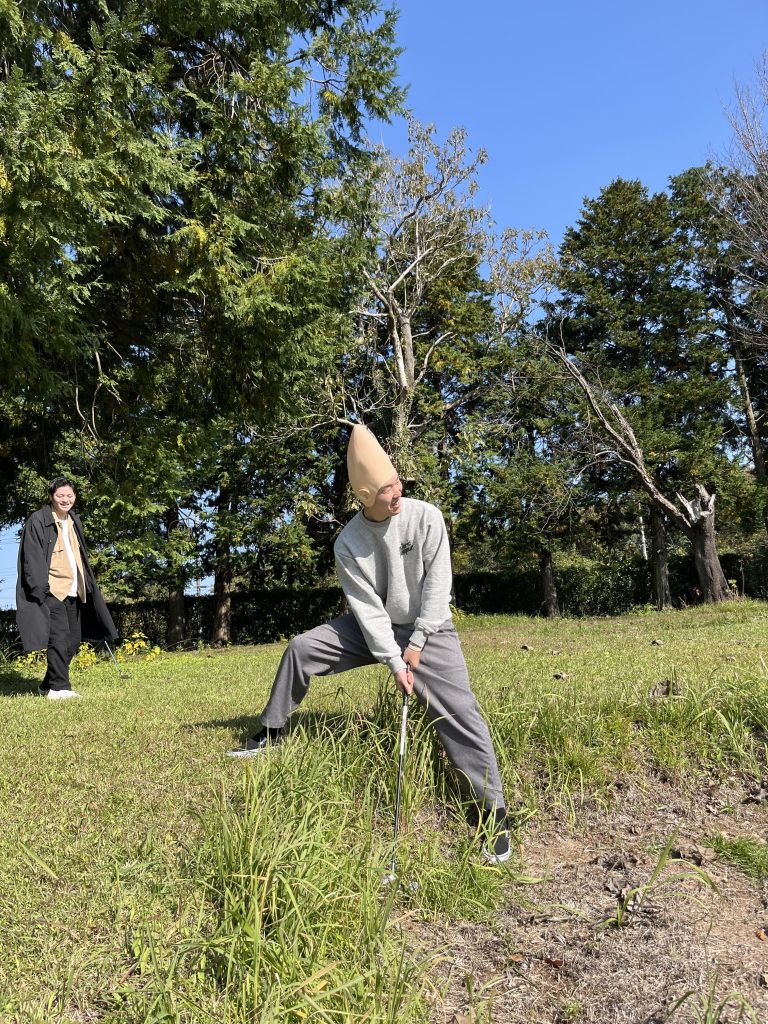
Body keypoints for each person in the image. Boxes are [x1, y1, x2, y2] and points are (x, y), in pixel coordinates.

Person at [227, 426, 511, 863]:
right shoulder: (348, 543)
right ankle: (271, 730)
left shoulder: (426, 517)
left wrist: (417, 643)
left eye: (397, 482)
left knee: (460, 711)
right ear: (364, 495)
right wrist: (395, 661)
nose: (398, 492)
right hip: (374, 628)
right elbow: (368, 609)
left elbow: (438, 588)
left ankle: (493, 812)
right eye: (387, 489)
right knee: (302, 648)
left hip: (430, 628)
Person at [16, 476, 118, 699]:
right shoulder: (38, 520)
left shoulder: (73, 520)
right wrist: (40, 589)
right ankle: (59, 688)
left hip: (74, 589)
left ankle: (47, 684)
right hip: (51, 589)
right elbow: (31, 557)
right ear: (51, 496)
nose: (65, 500)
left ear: (75, 497)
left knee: (72, 640)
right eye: (60, 495)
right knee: (59, 639)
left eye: (69, 495)